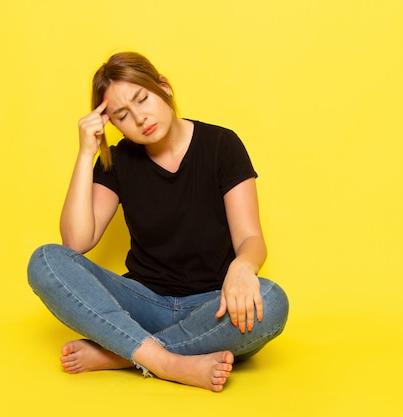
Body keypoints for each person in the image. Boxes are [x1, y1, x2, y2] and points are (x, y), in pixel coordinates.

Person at [27, 52, 289, 392]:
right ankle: (166, 362)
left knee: (271, 301)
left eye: (142, 99)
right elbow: (75, 243)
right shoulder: (118, 161)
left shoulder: (221, 145)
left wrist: (243, 266)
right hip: (142, 303)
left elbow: (251, 237)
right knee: (45, 260)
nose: (139, 118)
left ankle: (121, 353)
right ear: (113, 124)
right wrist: (85, 153)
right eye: (122, 115)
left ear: (163, 88)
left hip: (213, 305)